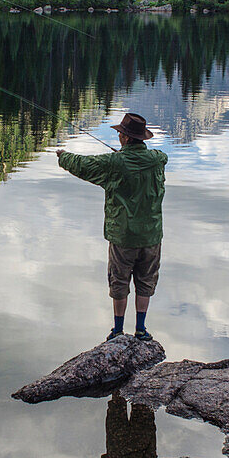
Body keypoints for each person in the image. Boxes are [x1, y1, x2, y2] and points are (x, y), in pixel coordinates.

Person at [56, 113, 168, 341]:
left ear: (126, 138)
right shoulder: (157, 160)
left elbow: (84, 165)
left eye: (120, 133)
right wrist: (129, 159)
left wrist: (63, 156)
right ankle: (141, 330)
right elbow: (153, 158)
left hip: (123, 236)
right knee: (145, 282)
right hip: (151, 236)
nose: (118, 136)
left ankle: (118, 331)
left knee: (119, 281)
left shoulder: (113, 164)